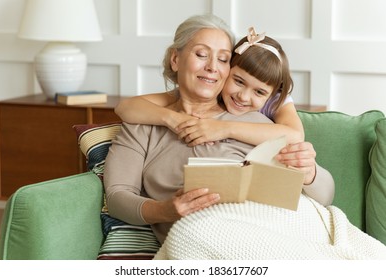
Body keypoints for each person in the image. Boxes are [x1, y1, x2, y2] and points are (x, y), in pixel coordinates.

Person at [104, 14, 335, 246]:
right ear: (175, 59)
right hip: (197, 238)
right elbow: (116, 198)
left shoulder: (255, 123)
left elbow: (324, 197)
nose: (212, 67)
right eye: (202, 55)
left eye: (223, 59)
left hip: (270, 231)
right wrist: (165, 210)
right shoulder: (143, 124)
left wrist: (309, 173)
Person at [114, 28, 304, 146]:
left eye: (259, 92)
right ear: (227, 68)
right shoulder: (213, 91)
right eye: (238, 81)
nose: (244, 97)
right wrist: (173, 119)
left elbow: (295, 135)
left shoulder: (275, 99)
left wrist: (224, 129)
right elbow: (126, 107)